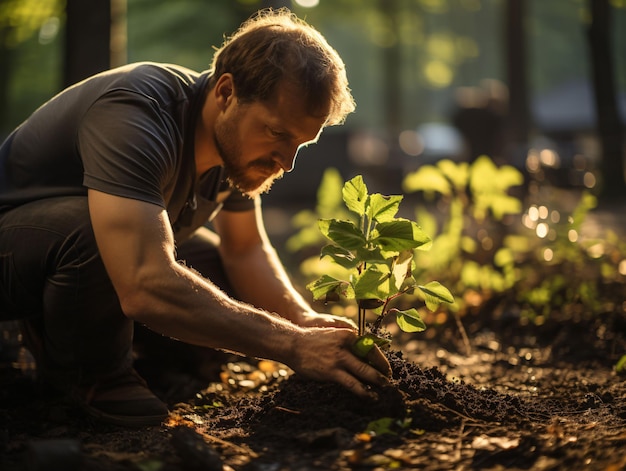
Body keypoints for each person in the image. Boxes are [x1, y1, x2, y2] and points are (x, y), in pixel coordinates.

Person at [0, 8, 391, 427]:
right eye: (278, 133)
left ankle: (151, 357)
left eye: (301, 143)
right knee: (95, 233)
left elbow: (246, 251)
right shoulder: (139, 114)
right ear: (226, 92)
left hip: (86, 259)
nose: (287, 162)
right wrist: (293, 345)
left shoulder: (234, 146)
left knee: (211, 261)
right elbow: (143, 283)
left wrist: (303, 320)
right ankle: (86, 373)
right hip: (15, 251)